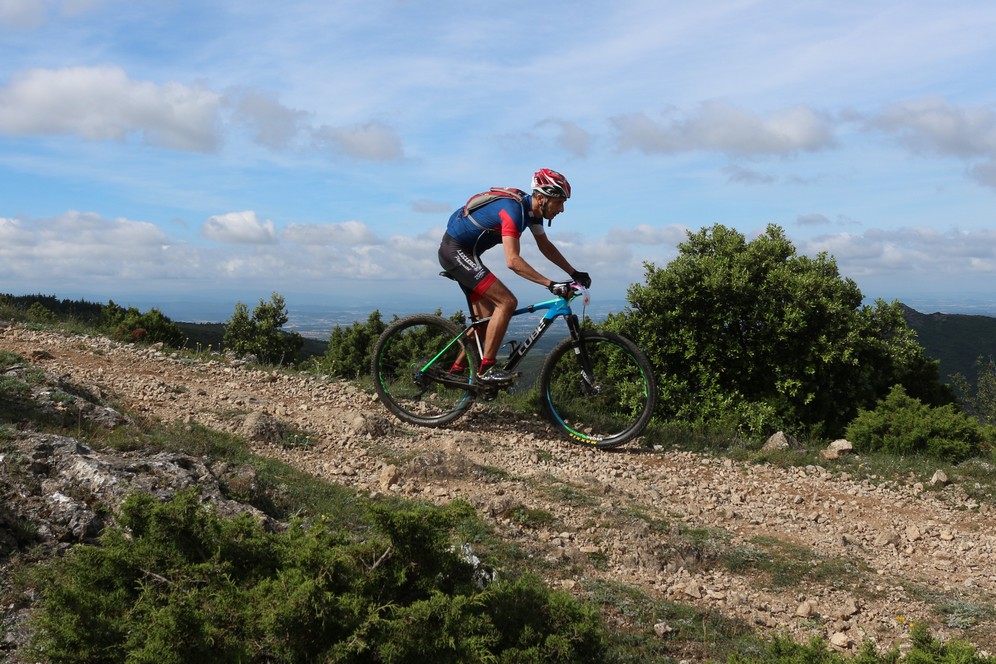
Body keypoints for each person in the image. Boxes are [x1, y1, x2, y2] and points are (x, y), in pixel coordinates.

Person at [437, 168, 591, 385]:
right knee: (507, 302)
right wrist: (550, 284)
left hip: (468, 254)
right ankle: (486, 370)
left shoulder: (532, 214)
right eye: (559, 202)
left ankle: (454, 374)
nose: (562, 209)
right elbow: (513, 261)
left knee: (485, 323)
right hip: (455, 251)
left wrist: (573, 273)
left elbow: (545, 246)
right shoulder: (514, 211)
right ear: (542, 198)